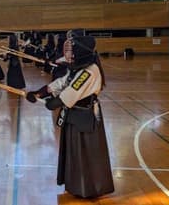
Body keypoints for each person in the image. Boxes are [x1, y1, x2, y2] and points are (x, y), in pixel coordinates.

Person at [27, 35, 115, 199]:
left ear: (80, 51)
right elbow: (62, 82)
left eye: (71, 50)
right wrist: (40, 92)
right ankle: (75, 186)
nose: (68, 54)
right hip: (74, 115)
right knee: (74, 152)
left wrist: (54, 103)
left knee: (87, 153)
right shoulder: (77, 68)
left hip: (86, 117)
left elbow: (72, 91)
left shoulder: (90, 71)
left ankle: (91, 188)